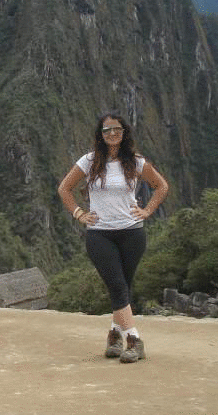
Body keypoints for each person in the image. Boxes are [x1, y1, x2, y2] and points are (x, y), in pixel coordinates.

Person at [57, 113, 169, 363]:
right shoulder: (89, 161)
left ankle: (115, 335)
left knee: (122, 287)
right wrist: (79, 213)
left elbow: (161, 186)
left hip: (132, 233)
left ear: (124, 132)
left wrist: (147, 210)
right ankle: (134, 340)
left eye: (116, 129)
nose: (112, 134)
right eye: (106, 130)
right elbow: (64, 188)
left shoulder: (136, 162)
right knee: (117, 285)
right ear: (100, 134)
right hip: (100, 234)